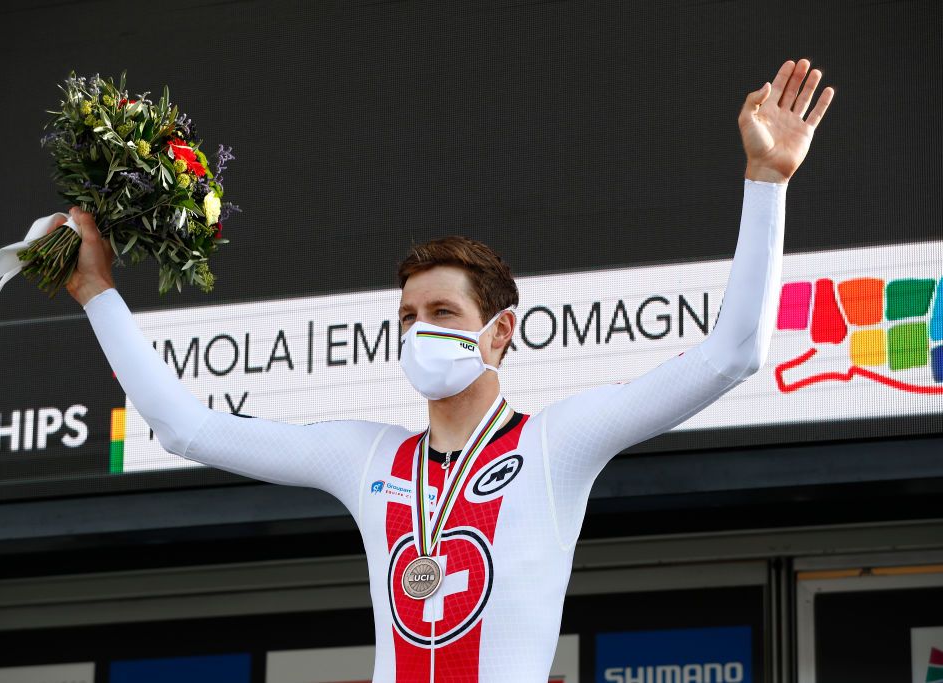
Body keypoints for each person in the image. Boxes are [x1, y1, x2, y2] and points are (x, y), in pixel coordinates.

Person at [54, 58, 834, 682]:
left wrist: (765, 186)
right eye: (407, 318)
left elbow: (732, 353)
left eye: (443, 314)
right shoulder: (367, 461)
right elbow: (188, 428)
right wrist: (97, 294)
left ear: (500, 333)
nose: (419, 332)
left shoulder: (558, 444)